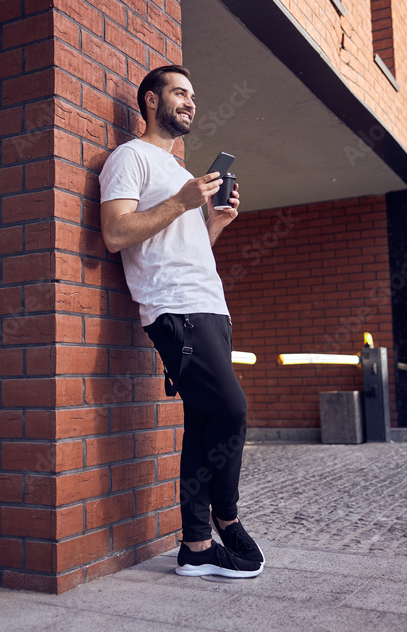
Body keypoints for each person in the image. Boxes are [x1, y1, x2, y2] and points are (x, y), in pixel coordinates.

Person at [99, 65, 263, 578]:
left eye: (194, 95)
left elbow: (181, 248)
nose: (190, 103)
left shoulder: (181, 174)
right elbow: (114, 234)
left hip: (209, 306)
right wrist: (181, 202)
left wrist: (211, 221)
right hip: (175, 311)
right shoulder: (130, 158)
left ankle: (195, 547)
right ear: (151, 101)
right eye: (179, 94)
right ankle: (226, 519)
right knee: (232, 410)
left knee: (205, 420)